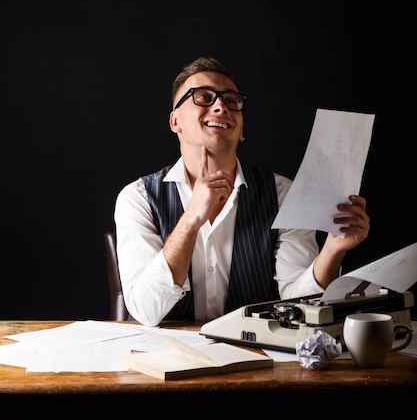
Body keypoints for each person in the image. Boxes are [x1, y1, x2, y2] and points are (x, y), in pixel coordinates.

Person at [114, 56, 370, 326]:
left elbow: (298, 307)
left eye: (232, 101)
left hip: (256, 357)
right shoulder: (137, 198)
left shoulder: (283, 194)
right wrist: (191, 219)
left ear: (241, 129)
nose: (221, 106)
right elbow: (145, 311)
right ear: (175, 121)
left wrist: (332, 251)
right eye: (203, 97)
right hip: (161, 359)